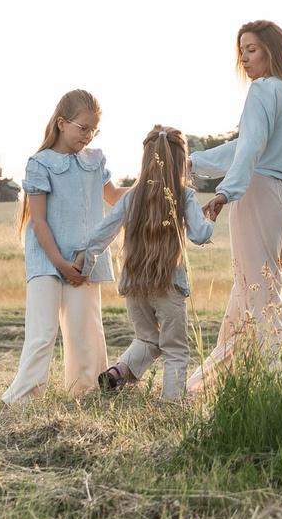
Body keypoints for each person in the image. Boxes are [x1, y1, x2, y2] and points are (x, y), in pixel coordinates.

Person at [186, 20, 282, 389]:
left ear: (272, 51)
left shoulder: (263, 89)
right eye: (241, 50)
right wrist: (196, 163)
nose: (243, 58)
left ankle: (280, 387)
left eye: (251, 49)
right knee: (261, 296)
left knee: (261, 296)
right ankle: (203, 388)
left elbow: (252, 145)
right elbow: (246, 147)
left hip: (262, 194)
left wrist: (227, 191)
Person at [71, 126, 214, 402]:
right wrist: (212, 219)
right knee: (175, 349)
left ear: (146, 160)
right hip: (168, 285)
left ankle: (116, 373)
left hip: (135, 284)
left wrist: (85, 267)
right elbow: (199, 235)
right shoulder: (184, 196)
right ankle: (171, 405)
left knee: (148, 340)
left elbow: (101, 235)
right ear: (180, 160)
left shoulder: (131, 197)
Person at [1, 89, 121, 404]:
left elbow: (115, 197)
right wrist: (59, 262)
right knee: (42, 333)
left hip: (85, 260)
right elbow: (38, 221)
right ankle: (22, 398)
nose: (88, 135)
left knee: (86, 331)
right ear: (61, 123)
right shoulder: (40, 164)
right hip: (47, 258)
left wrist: (155, 182)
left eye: (94, 130)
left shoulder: (95, 161)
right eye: (83, 128)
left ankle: (86, 394)